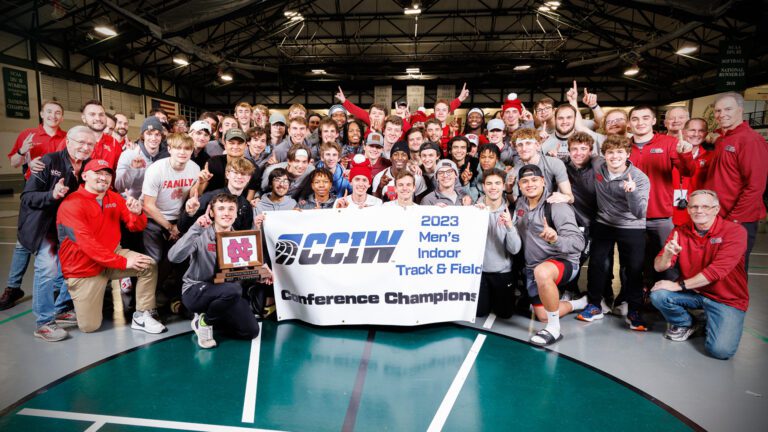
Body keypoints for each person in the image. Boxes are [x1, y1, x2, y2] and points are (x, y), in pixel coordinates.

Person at [57, 159, 165, 334]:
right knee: (90, 327)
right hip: (83, 267)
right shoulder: (71, 204)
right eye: (98, 173)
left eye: (107, 174)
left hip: (112, 254)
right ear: (84, 176)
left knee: (148, 265)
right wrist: (122, 263)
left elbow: (135, 226)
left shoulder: (113, 197)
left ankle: (142, 315)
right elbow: (87, 245)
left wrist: (137, 214)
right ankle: (76, 308)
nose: (104, 177)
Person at [19, 126, 96, 341]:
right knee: (48, 267)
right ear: (69, 142)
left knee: (76, 263)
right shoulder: (48, 161)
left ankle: (61, 308)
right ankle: (44, 323)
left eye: (90, 144)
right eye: (80, 142)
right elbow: (27, 197)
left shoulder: (89, 166)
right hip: (44, 225)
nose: (85, 147)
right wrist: (52, 195)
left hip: (67, 226)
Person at [650, 190, 748, 360]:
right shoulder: (680, 232)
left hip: (726, 298)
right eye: (694, 206)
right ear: (688, 209)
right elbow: (659, 267)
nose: (699, 210)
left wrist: (678, 285)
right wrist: (666, 254)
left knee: (720, 351)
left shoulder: (734, 232)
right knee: (658, 294)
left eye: (705, 206)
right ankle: (688, 323)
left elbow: (717, 271)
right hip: (695, 292)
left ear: (716, 209)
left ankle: (712, 319)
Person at [168, 193, 265, 348]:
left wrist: (261, 274)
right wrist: (196, 229)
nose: (226, 213)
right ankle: (204, 322)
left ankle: (215, 316)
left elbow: (245, 271)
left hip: (226, 293)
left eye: (231, 209)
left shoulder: (239, 238)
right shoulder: (200, 233)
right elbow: (174, 257)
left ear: (235, 213)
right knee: (233, 289)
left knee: (251, 331)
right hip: (196, 290)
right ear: (212, 213)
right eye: (221, 209)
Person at [579, 134, 651, 331]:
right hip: (605, 222)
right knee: (597, 263)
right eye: (610, 152)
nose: (615, 156)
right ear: (605, 155)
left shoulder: (639, 178)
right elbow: (580, 153)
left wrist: (632, 193)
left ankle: (634, 310)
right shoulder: (599, 167)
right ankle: (595, 305)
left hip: (631, 225)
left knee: (634, 269)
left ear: (628, 154)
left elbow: (639, 212)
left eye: (620, 152)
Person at [1, 100, 67, 311]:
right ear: (41, 113)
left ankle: (56, 289)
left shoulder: (66, 138)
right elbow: (13, 163)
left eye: (58, 113)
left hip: (58, 197)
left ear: (62, 117)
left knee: (55, 243)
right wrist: (23, 154)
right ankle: (13, 287)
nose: (53, 116)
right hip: (34, 195)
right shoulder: (28, 135)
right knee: (23, 243)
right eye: (49, 112)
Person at [514, 165, 586, 346]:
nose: (529, 184)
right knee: (543, 315)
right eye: (524, 181)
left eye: (534, 180)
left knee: (543, 272)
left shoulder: (557, 205)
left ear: (543, 181)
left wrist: (555, 239)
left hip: (563, 262)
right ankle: (580, 303)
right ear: (519, 185)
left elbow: (578, 243)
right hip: (533, 266)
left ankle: (554, 330)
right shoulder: (520, 203)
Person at [702, 92, 768, 271]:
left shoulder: (751, 140)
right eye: (718, 110)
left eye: (728, 109)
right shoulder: (724, 138)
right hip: (717, 218)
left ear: (741, 109)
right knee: (715, 271)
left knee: (733, 273)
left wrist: (735, 220)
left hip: (738, 220)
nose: (721, 114)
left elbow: (755, 187)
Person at [141, 133, 200, 297]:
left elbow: (192, 198)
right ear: (169, 149)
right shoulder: (156, 169)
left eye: (187, 148)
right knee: (154, 260)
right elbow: (148, 206)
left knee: (178, 258)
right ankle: (145, 300)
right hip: (154, 219)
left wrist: (179, 226)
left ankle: (169, 295)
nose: (183, 152)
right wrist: (169, 227)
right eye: (178, 148)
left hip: (179, 219)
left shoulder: (194, 168)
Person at [474, 168, 521, 318]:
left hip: (502, 272)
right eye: (489, 183)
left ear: (503, 186)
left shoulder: (511, 212)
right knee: (480, 313)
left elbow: (514, 250)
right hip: (479, 273)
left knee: (505, 314)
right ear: (483, 186)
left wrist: (509, 227)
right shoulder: (473, 210)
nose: (493, 187)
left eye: (497, 183)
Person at [179, 158, 256, 232]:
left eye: (243, 174)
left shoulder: (246, 205)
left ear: (249, 178)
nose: (239, 177)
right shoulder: (210, 197)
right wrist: (189, 214)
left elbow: (244, 235)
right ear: (227, 174)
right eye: (235, 172)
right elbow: (182, 228)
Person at [115, 117, 167, 199]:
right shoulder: (129, 154)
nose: (153, 138)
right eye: (149, 134)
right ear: (143, 135)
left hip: (154, 204)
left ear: (161, 136)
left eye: (157, 134)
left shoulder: (167, 156)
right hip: (131, 204)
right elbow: (119, 187)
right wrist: (132, 169)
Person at [81, 100, 122, 170]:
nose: (98, 118)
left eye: (101, 114)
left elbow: (119, 173)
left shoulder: (114, 144)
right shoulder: (72, 140)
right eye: (92, 114)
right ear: (84, 118)